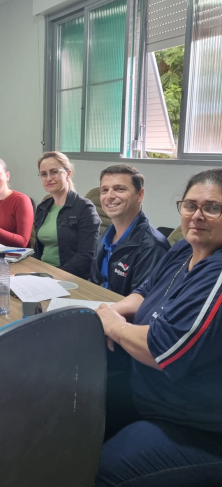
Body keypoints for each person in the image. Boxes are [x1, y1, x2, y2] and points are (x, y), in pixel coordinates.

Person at [95, 168, 222, 486]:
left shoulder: (217, 274)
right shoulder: (183, 249)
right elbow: (145, 291)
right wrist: (111, 311)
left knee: (99, 469)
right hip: (146, 393)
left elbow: (162, 348)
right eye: (190, 205)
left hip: (194, 424)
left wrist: (116, 327)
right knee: (72, 421)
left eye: (212, 207)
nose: (197, 216)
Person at [89, 165, 170, 296]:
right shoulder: (106, 235)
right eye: (104, 190)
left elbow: (142, 301)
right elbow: (93, 280)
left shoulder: (153, 247)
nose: (109, 196)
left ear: (140, 195)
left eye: (120, 189)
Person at [33, 151, 100, 279]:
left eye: (54, 172)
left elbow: (86, 256)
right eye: (43, 174)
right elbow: (38, 249)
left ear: (68, 174)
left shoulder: (85, 208)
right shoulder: (43, 207)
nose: (48, 178)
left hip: (69, 277)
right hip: (42, 273)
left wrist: (54, 276)